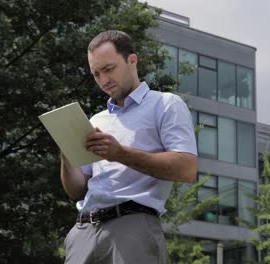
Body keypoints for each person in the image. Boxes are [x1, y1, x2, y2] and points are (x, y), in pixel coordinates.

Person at [60, 30, 198, 264]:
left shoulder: (164, 104)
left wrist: (120, 154)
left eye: (108, 69)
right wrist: (66, 155)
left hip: (132, 227)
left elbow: (187, 169)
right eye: (96, 74)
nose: (103, 80)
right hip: (82, 231)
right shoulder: (95, 121)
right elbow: (76, 189)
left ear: (132, 61)